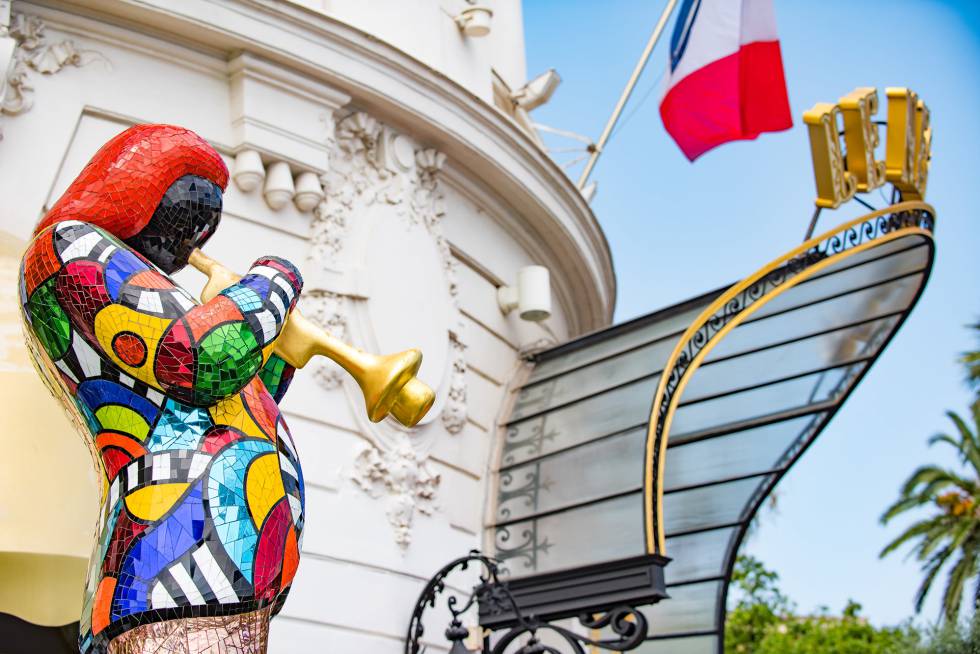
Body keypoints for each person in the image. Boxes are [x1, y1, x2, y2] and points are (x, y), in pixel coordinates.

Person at [19, 124, 305, 654]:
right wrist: (274, 282)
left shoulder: (145, 284)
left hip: (225, 572)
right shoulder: (70, 247)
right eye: (189, 218)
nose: (192, 243)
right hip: (179, 563)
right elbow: (193, 359)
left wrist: (275, 356)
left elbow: (221, 403)